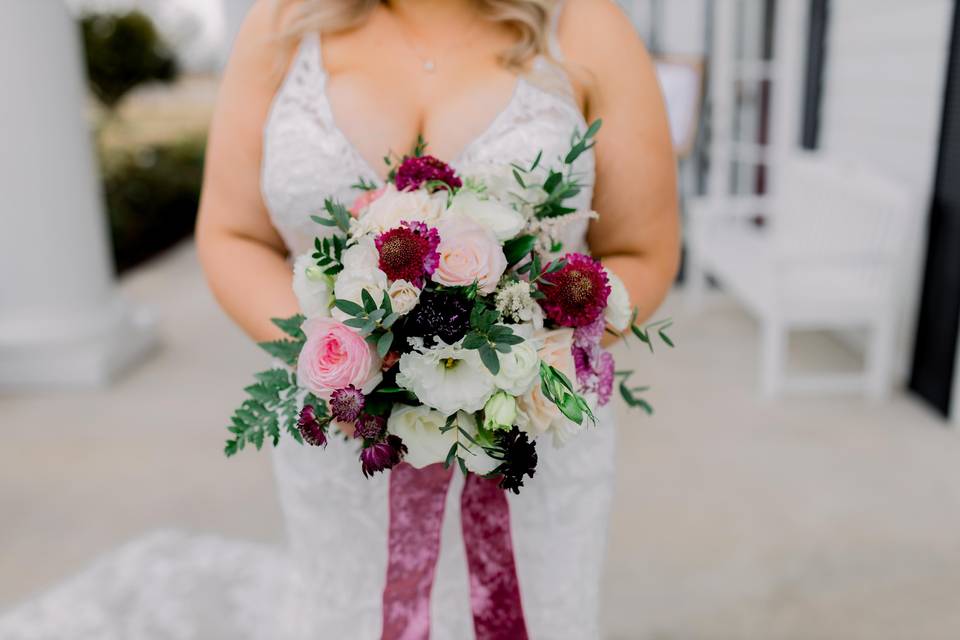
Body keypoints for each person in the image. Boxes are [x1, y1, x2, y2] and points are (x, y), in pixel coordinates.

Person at [0, 1, 678, 638]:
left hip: (527, 434)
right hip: (342, 436)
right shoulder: (286, 23)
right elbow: (232, 234)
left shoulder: (585, 25)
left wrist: (513, 352)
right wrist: (347, 357)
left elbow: (643, 251)